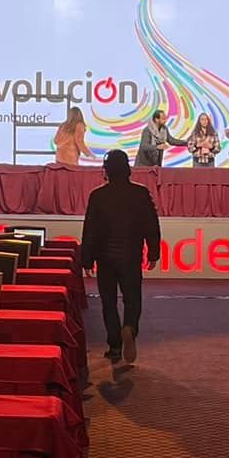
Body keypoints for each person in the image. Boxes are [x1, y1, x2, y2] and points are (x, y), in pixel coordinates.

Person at [80, 148, 162, 367]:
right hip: (131, 256)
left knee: (108, 302)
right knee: (132, 298)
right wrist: (153, 252)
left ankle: (115, 345)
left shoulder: (97, 196)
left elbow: (90, 231)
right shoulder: (140, 193)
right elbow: (151, 225)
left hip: (104, 258)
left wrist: (86, 259)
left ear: (106, 170)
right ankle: (130, 328)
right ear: (128, 169)